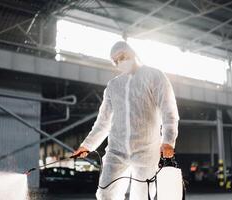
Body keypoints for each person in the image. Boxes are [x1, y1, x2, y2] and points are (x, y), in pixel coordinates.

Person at [72, 41, 180, 200]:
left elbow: (169, 110)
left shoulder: (154, 76)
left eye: (122, 57)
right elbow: (103, 122)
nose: (119, 63)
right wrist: (87, 145)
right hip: (116, 150)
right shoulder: (113, 85)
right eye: (115, 61)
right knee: (105, 194)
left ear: (132, 53)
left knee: (142, 196)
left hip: (147, 150)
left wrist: (168, 141)